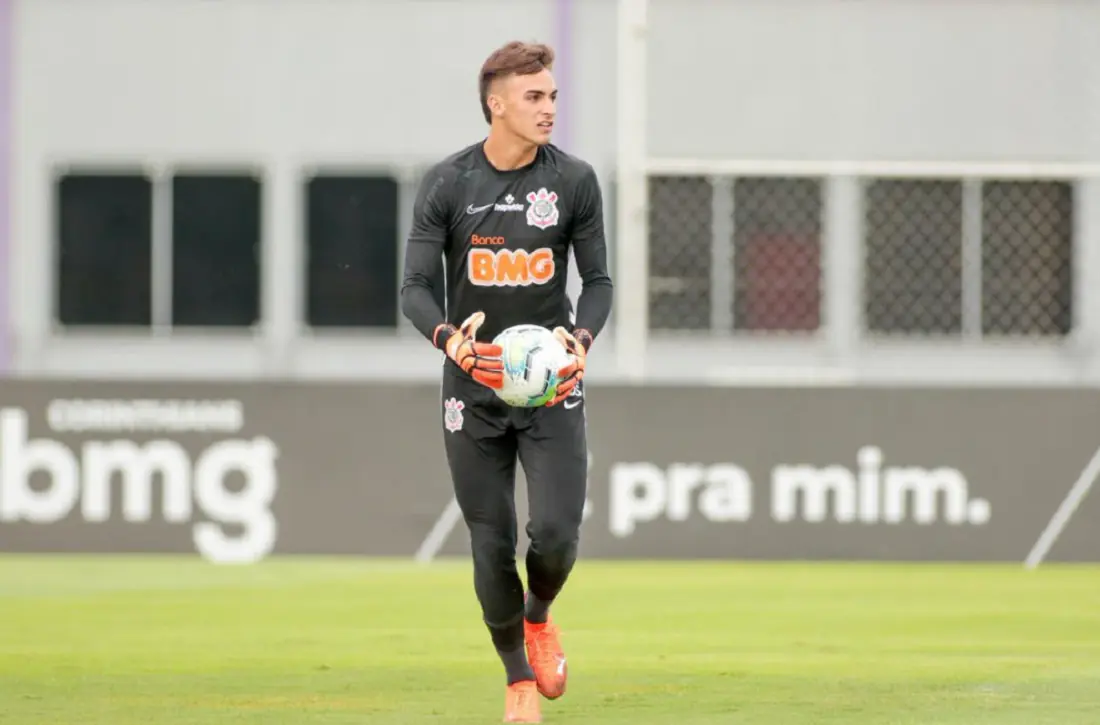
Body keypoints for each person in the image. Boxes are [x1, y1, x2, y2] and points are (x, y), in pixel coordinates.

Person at [399, 40, 614, 724]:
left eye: (552, 96)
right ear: (497, 104)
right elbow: (414, 288)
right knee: (490, 539)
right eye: (534, 97)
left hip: (552, 388)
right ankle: (518, 678)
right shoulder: (449, 183)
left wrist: (580, 341)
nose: (549, 108)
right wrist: (452, 342)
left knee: (555, 534)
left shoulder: (574, 181)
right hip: (474, 389)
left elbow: (599, 282)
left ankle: (539, 613)